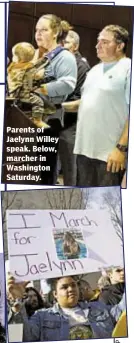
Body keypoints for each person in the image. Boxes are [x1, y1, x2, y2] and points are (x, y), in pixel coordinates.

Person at [66, 25, 131, 187]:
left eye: (104, 42)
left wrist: (121, 148)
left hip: (110, 154)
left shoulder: (128, 68)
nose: (97, 45)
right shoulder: (94, 70)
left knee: (107, 205)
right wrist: (59, 107)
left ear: (120, 46)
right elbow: (87, 102)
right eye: (97, 41)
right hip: (84, 150)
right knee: (86, 203)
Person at [7, 275, 126, 341]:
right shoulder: (41, 316)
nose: (71, 289)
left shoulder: (99, 308)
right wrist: (16, 306)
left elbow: (125, 310)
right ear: (55, 294)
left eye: (73, 285)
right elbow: (16, 337)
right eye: (64, 287)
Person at [59, 30, 90, 185]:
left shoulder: (82, 67)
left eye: (66, 43)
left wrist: (57, 106)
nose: (62, 46)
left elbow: (82, 102)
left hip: (71, 126)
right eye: (61, 43)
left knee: (70, 173)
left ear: (75, 46)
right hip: (54, 122)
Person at [7, 42, 52, 128]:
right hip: (23, 94)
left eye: (14, 55)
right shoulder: (29, 68)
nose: (13, 57)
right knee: (39, 102)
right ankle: (37, 120)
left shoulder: (12, 66)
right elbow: (30, 83)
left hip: (12, 92)